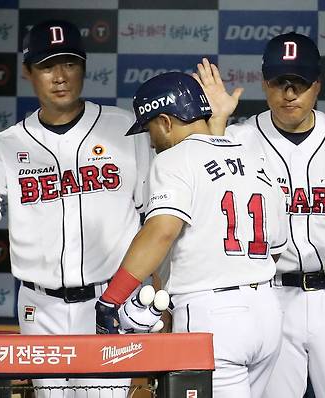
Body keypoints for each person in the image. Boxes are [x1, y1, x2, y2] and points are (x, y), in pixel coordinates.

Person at [0, 19, 149, 398]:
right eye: (46, 65)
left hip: (108, 302)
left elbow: (155, 216)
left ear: (85, 67)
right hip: (40, 308)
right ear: (28, 72)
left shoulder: (124, 129)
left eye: (69, 63)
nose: (60, 76)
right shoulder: (9, 143)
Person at [196, 32, 325, 398]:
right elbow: (202, 194)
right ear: (264, 84)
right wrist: (215, 127)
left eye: (299, 83)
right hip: (269, 296)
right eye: (280, 82)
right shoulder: (238, 139)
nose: (289, 93)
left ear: (317, 86)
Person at [95, 71, 289, 398]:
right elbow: (277, 246)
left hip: (214, 318)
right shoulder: (254, 157)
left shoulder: (173, 160)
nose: (150, 139)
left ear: (167, 122)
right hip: (267, 312)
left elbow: (161, 232)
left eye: (150, 127)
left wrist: (111, 298)